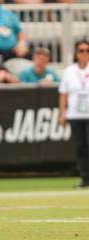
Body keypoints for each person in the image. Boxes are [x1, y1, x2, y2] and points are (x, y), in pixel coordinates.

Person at [59, 40, 89, 188]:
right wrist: (62, 113)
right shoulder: (69, 71)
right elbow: (63, 94)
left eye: (87, 50)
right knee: (80, 147)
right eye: (81, 51)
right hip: (75, 114)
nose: (84, 54)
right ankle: (85, 178)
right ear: (76, 53)